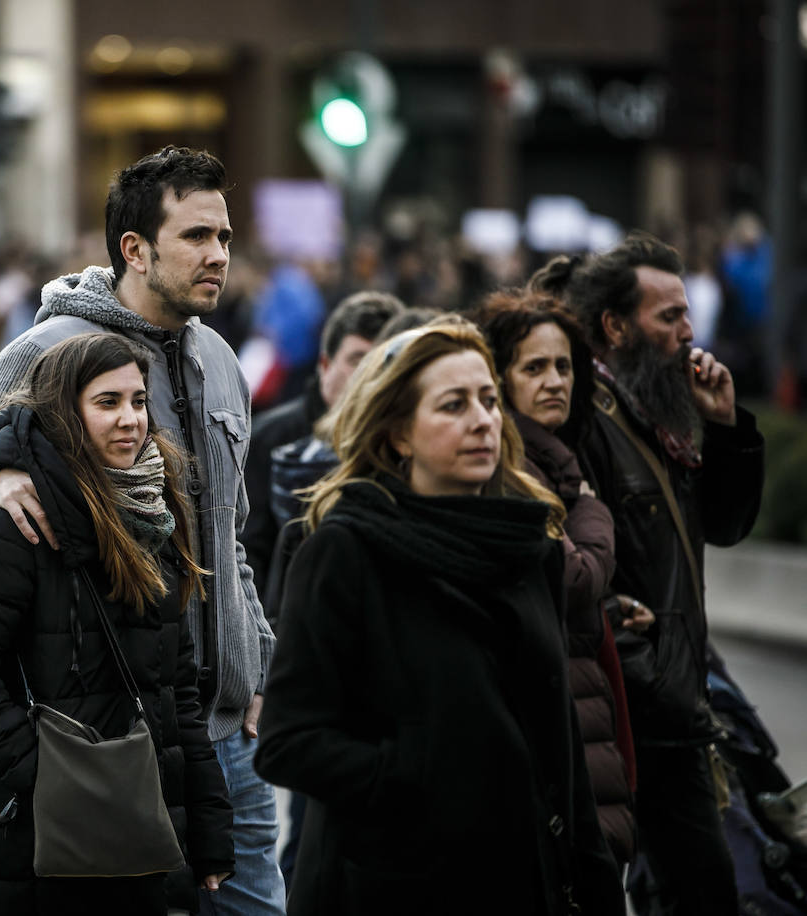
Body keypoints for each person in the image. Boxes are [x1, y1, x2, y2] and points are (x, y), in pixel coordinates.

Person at [0, 146, 284, 914]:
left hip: (226, 733)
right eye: (196, 237)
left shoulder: (220, 359)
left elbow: (231, 538)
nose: (219, 255)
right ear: (135, 249)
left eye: (225, 237)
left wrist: (259, 667)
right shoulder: (45, 355)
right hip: (110, 742)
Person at [253, 318, 625, 915]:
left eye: (487, 400)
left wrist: (596, 883)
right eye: (453, 405)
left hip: (522, 881)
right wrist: (427, 774)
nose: (482, 420)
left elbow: (563, 755)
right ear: (399, 434)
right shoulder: (344, 553)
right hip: (394, 887)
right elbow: (289, 743)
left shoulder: (529, 546)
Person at [0, 332, 235, 914]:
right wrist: (46, 773)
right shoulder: (20, 521)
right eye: (108, 402)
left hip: (138, 833)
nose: (131, 420)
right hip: (27, 845)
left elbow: (177, 690)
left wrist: (209, 829)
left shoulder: (154, 512)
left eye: (139, 401)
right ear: (67, 413)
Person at [555, 233, 765, 916]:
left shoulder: (657, 417)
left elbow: (726, 527)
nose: (687, 333)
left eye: (686, 314)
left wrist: (728, 429)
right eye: (667, 317)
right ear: (616, 327)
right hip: (630, 703)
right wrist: (645, 668)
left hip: (668, 700)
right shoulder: (589, 421)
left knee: (690, 890)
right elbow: (580, 566)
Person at [475, 290, 638, 863]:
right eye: (534, 367)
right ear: (501, 378)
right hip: (553, 724)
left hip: (579, 706)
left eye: (564, 366)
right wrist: (592, 510)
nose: (554, 381)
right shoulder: (510, 462)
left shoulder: (557, 456)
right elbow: (572, 577)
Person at [243, 290, 403, 596]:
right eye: (358, 360)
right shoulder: (269, 439)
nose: (370, 375)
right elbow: (250, 551)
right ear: (325, 365)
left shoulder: (406, 441)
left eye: (383, 362)